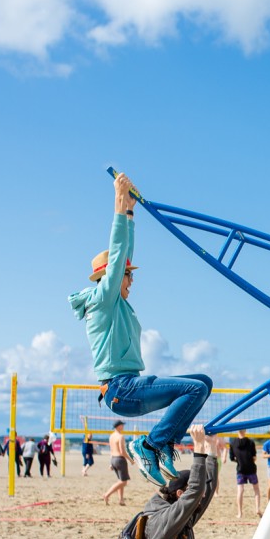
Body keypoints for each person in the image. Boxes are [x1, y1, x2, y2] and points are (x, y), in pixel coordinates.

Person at [69, 172, 213, 487]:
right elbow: (119, 253)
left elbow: (124, 257)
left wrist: (131, 209)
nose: (132, 280)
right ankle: (148, 445)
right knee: (195, 389)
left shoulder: (117, 305)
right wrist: (119, 205)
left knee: (203, 382)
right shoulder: (103, 300)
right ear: (111, 276)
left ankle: (162, 445)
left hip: (128, 386)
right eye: (128, 275)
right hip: (121, 390)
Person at [230, 429, 261, 519]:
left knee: (240, 491)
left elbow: (232, 458)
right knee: (256, 490)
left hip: (240, 469)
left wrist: (240, 461)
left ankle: (240, 513)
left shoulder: (233, 443)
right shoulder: (251, 442)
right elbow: (254, 457)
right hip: (251, 468)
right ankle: (257, 509)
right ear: (245, 430)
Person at [104, 421, 131, 506]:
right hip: (120, 459)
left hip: (113, 459)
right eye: (122, 425)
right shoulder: (120, 437)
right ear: (119, 426)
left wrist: (111, 463)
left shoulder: (111, 436)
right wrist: (131, 460)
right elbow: (122, 452)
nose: (123, 426)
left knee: (120, 480)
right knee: (124, 482)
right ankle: (107, 494)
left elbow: (111, 450)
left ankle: (121, 500)